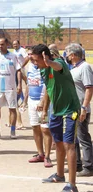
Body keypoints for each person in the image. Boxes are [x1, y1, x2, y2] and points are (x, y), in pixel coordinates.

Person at [31, 44, 80, 192]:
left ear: (45, 57)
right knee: (58, 143)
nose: (34, 63)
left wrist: (49, 62)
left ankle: (72, 185)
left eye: (35, 60)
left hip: (70, 110)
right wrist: (45, 109)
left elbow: (57, 66)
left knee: (69, 145)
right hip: (56, 112)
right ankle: (59, 175)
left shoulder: (59, 64)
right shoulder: (43, 71)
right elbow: (48, 90)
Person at [22, 47, 53, 168]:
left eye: (32, 55)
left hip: (43, 102)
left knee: (45, 129)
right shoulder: (29, 67)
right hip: (31, 101)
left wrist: (43, 102)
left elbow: (48, 86)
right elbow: (29, 84)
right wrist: (25, 100)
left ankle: (48, 156)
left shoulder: (45, 67)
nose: (30, 57)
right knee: (35, 127)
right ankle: (40, 154)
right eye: (28, 55)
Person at [65, 43, 93, 177]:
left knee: (83, 137)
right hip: (72, 108)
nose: (66, 56)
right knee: (73, 137)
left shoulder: (85, 67)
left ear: (73, 55)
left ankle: (89, 166)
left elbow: (89, 88)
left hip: (81, 109)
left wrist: (84, 107)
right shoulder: (74, 68)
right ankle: (76, 164)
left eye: (67, 53)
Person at [0, 38, 22, 139]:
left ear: (7, 44)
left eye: (2, 44)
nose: (0, 46)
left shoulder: (13, 56)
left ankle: (12, 131)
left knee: (12, 109)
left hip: (10, 88)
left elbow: (18, 70)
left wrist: (19, 84)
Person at [11, 40, 29, 130]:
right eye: (13, 44)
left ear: (19, 44)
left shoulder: (22, 50)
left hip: (20, 69)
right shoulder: (14, 52)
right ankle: (11, 121)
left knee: (25, 83)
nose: (14, 45)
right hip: (15, 70)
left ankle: (25, 99)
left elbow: (27, 57)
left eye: (16, 44)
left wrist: (21, 65)